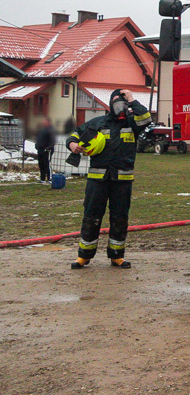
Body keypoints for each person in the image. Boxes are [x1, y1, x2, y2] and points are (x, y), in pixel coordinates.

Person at [67, 89, 152, 270]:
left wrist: (131, 98)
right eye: (116, 103)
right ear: (110, 105)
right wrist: (72, 144)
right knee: (91, 217)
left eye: (123, 103)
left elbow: (146, 118)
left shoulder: (132, 124)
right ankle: (84, 256)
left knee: (120, 218)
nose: (119, 107)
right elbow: (75, 133)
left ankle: (116, 256)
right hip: (97, 181)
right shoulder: (98, 123)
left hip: (122, 182)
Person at [35, 116, 56, 184]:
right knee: (41, 164)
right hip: (40, 149)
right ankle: (42, 178)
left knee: (47, 164)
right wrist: (37, 145)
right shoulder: (42, 130)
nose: (43, 123)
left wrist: (49, 147)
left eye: (44, 122)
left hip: (46, 150)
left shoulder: (51, 130)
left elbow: (53, 140)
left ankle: (49, 178)